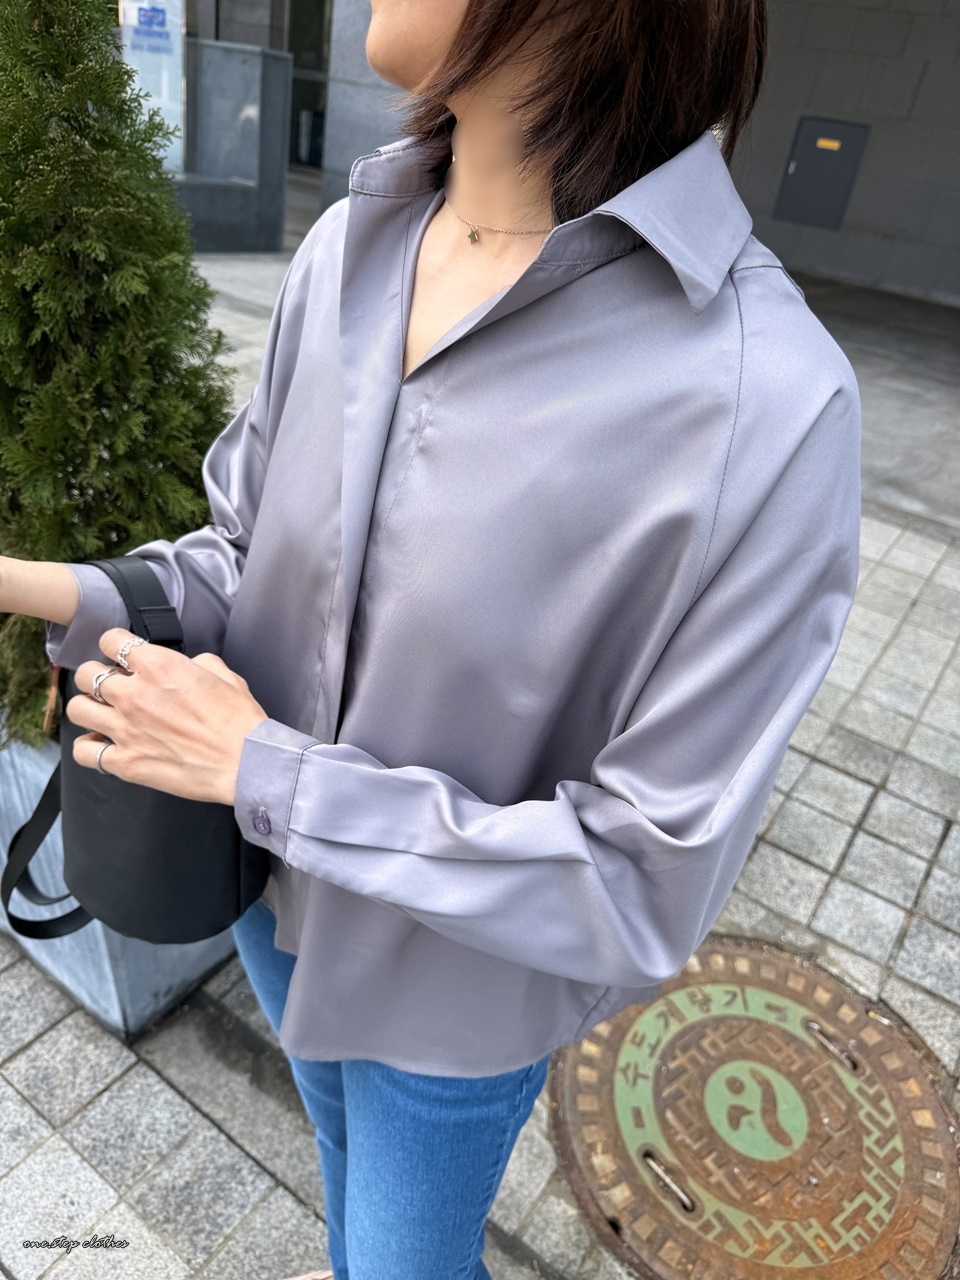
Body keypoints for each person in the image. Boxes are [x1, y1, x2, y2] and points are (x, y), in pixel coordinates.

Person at [0, 0, 862, 1275]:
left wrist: (270, 771)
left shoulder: (769, 402)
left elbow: (641, 878)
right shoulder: (349, 244)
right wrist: (34, 585)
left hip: (456, 996)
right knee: (339, 1166)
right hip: (269, 900)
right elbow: (249, 552)